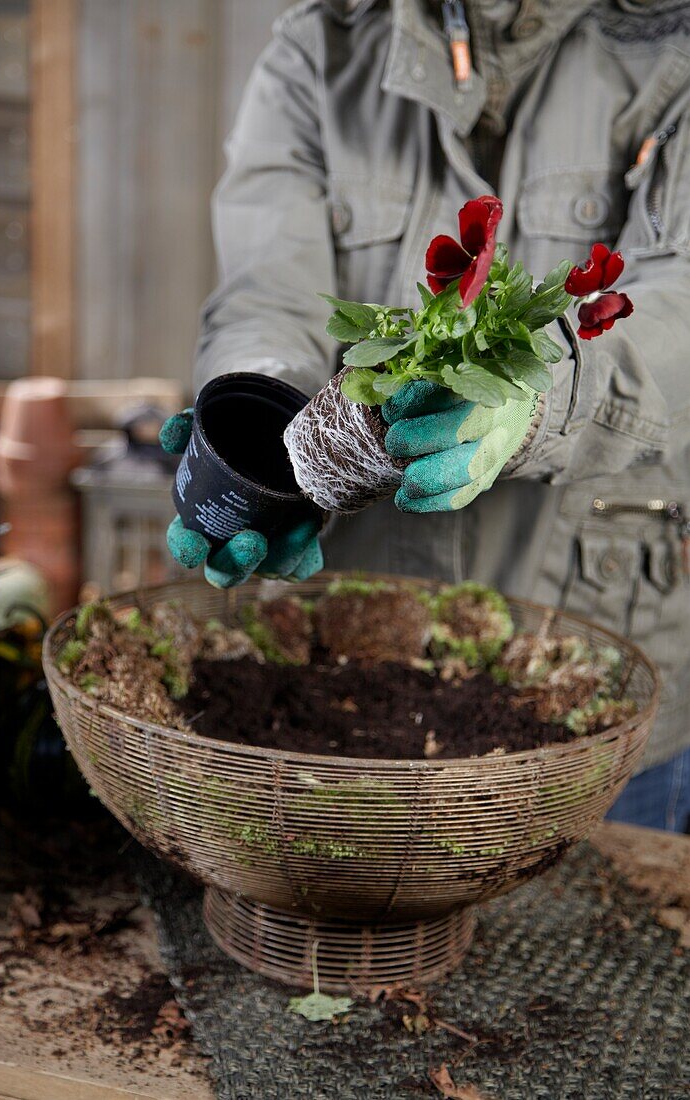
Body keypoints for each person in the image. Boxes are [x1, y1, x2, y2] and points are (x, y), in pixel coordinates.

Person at [160, 0, 690, 831]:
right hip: (349, 649)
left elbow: (678, 314)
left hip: (587, 645)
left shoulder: (673, 46)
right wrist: (258, 411)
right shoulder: (322, 44)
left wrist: (536, 399)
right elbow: (269, 288)